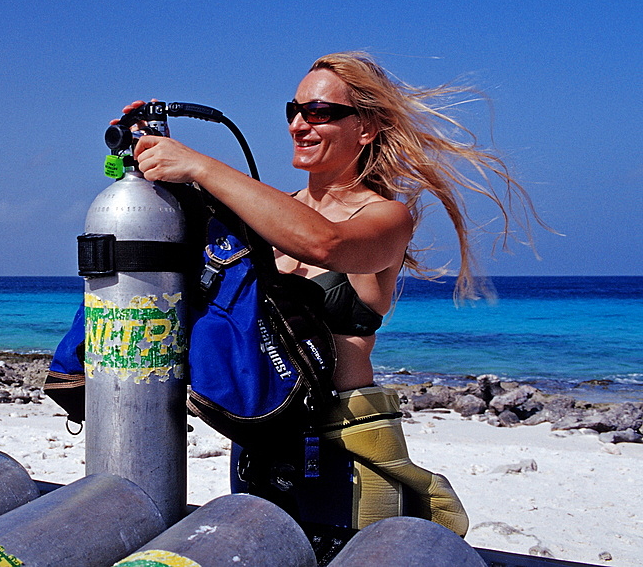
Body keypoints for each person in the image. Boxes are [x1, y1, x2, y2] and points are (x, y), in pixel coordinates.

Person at [117, 51, 543, 538]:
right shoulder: (269, 213)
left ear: (366, 128)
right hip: (262, 428)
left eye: (319, 112)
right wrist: (155, 156)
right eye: (294, 111)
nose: (299, 124)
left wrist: (200, 165)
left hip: (348, 443)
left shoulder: (386, 218)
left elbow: (326, 243)